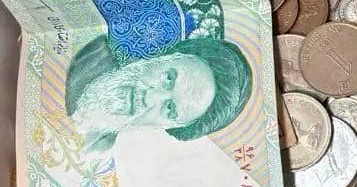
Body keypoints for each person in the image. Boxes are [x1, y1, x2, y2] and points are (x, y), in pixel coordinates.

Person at [64, 35, 252, 152]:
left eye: (170, 109)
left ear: (167, 126)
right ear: (161, 57)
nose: (149, 97)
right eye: (168, 78)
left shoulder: (100, 149)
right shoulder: (78, 53)